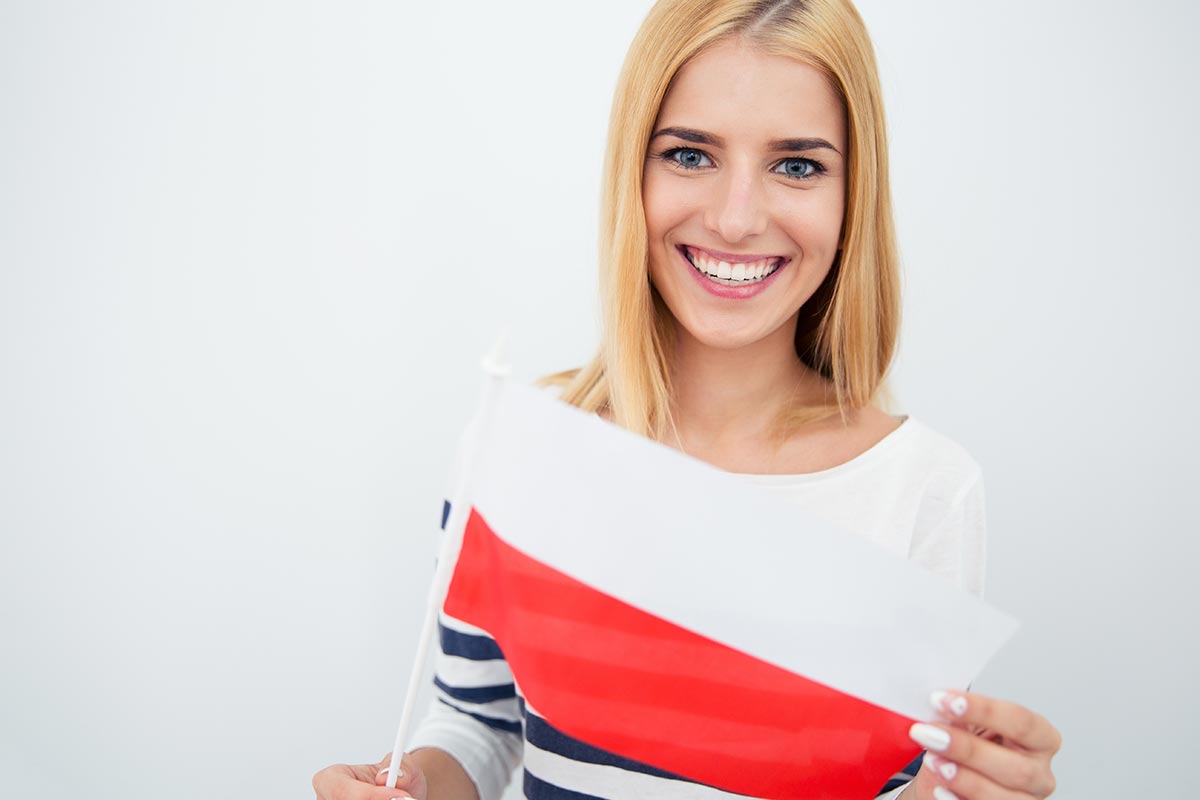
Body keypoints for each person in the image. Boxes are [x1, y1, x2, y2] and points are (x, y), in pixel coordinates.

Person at [313, 0, 1062, 797]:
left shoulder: (924, 491)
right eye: (690, 155)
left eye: (798, 165)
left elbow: (904, 780)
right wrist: (419, 784)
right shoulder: (513, 450)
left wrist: (961, 789)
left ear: (854, 198)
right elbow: (477, 722)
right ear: (631, 169)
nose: (736, 219)